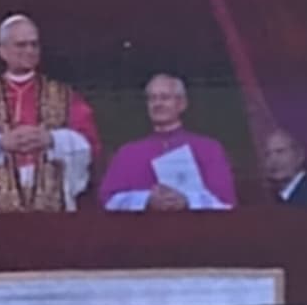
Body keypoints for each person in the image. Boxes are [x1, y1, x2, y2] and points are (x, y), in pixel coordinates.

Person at [0, 15, 99, 213]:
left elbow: (89, 143)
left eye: (34, 45)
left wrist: (52, 139)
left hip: (53, 205)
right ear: (2, 51)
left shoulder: (64, 95)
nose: (30, 51)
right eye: (21, 45)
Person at [101, 74, 237, 211]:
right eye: (152, 98)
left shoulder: (209, 149)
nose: (157, 104)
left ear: (182, 104)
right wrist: (147, 199)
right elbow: (108, 201)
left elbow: (225, 202)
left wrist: (187, 200)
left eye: (165, 98)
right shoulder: (128, 153)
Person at [262, 129, 307, 205]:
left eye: (280, 151)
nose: (273, 160)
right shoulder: (276, 198)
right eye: (267, 154)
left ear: (300, 155)